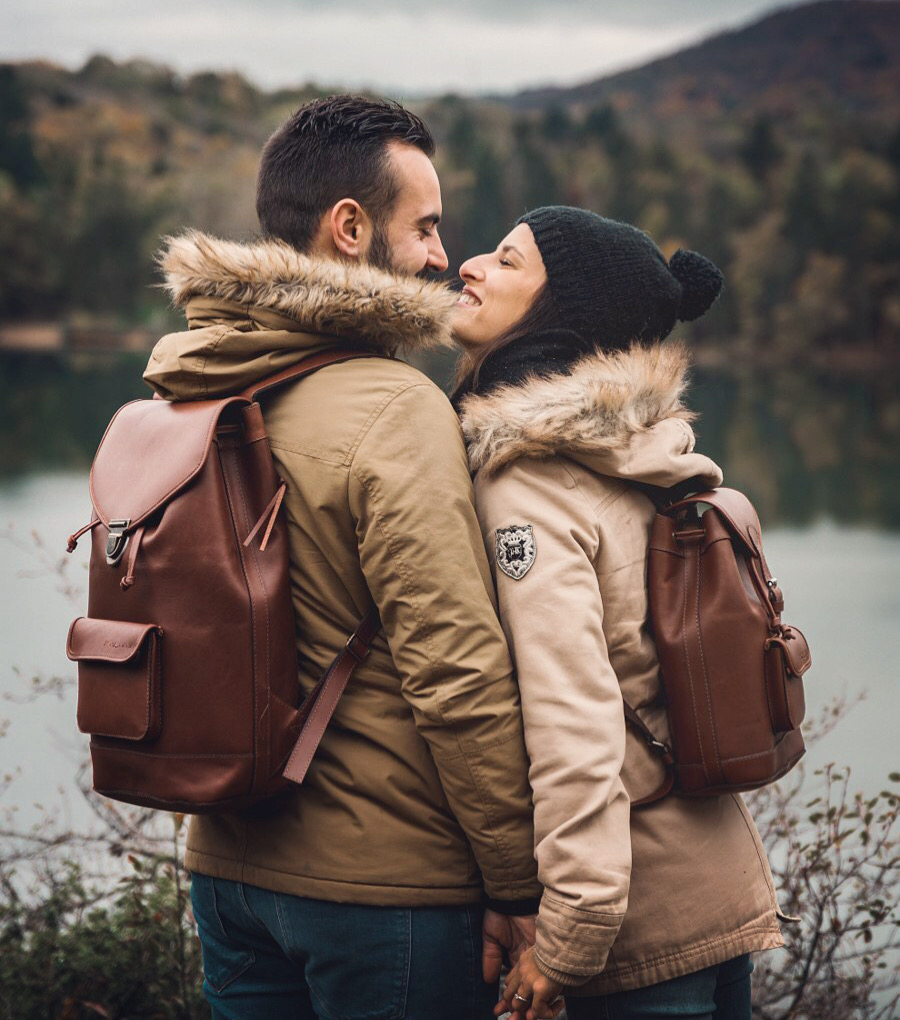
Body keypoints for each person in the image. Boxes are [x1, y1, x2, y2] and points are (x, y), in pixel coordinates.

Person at [143, 95, 541, 1019]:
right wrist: (517, 884)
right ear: (351, 228)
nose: (442, 257)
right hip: (386, 893)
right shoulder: (396, 409)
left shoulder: (192, 384)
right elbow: (455, 673)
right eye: (426, 227)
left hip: (226, 872)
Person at [452, 206, 784, 1020]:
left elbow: (574, 717)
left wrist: (570, 934)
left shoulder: (530, 484)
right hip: (713, 887)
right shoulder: (640, 455)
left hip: (639, 931)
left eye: (507, 261)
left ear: (560, 316)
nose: (470, 265)